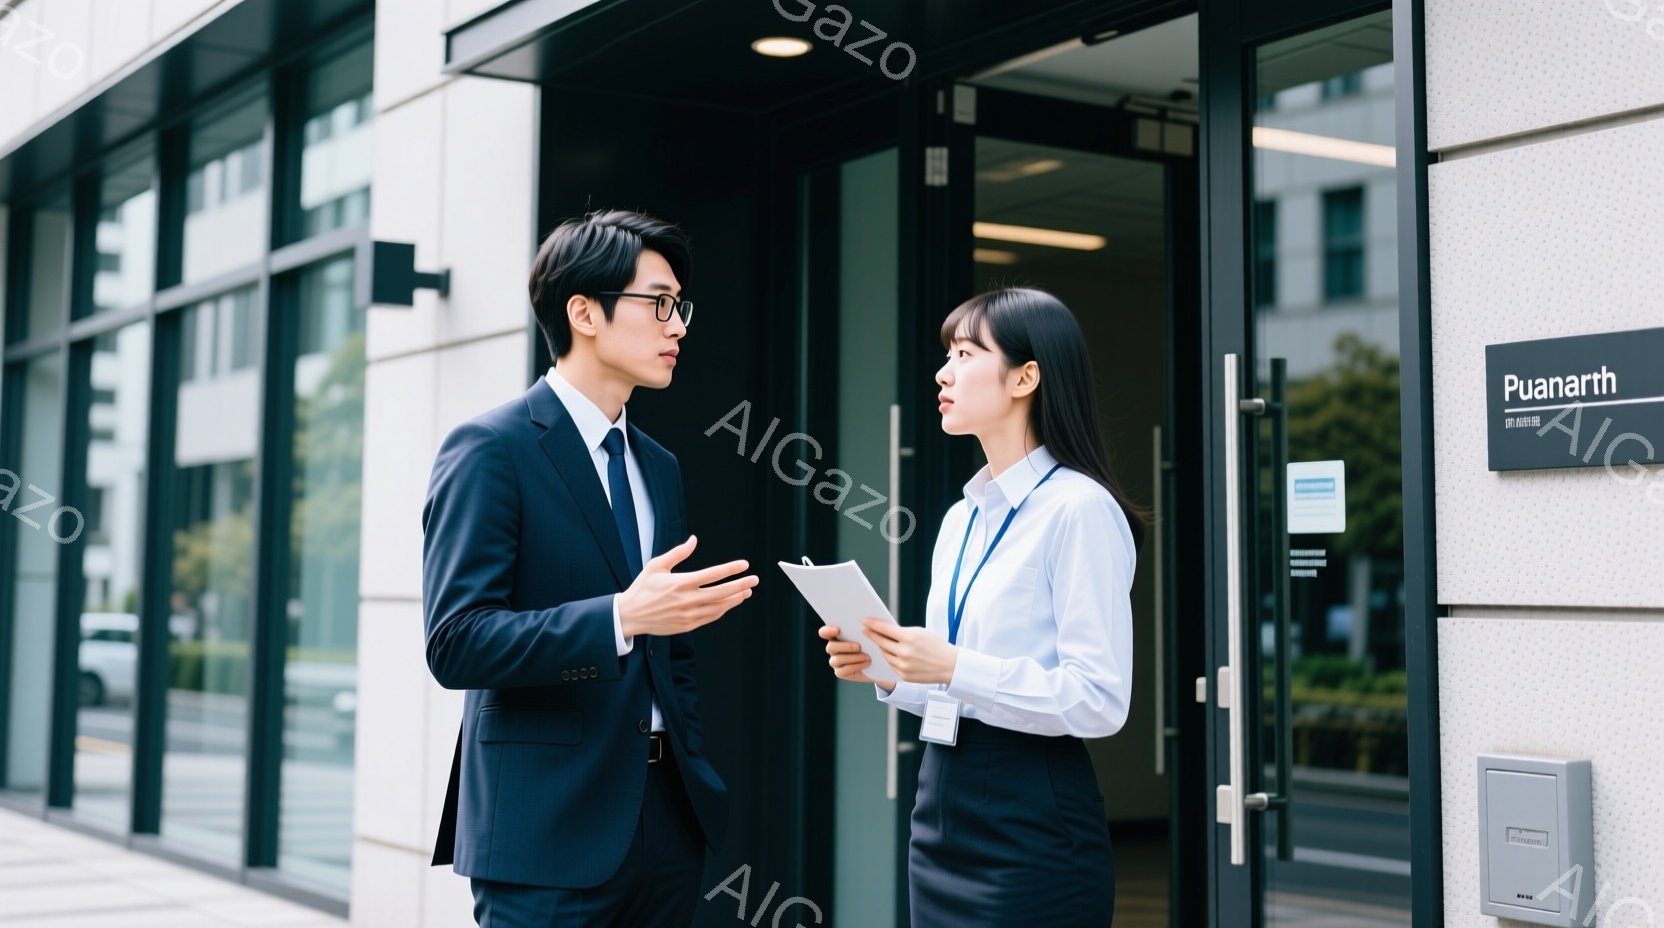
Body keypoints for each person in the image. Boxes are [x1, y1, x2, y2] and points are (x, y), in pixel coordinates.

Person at [422, 209, 758, 926]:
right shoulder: (490, 449)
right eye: (658, 304)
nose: (678, 327)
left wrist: (692, 764)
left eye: (680, 308)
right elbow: (456, 642)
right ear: (585, 312)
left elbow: (675, 655)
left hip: (667, 825)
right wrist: (619, 617)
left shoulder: (658, 467)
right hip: (546, 834)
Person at [819, 287, 1145, 927]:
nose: (943, 372)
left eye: (966, 353)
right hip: (942, 807)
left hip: (1033, 817)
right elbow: (953, 684)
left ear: (1026, 376)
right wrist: (887, 669)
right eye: (948, 354)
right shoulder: (960, 518)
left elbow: (1100, 699)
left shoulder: (1079, 510)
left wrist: (951, 665)